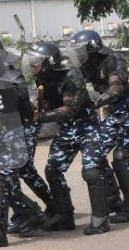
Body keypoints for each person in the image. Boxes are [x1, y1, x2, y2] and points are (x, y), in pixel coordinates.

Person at [28, 42, 111, 236]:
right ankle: (65, 216)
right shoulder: (41, 78)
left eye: (36, 62)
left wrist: (40, 117)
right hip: (67, 129)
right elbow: (46, 102)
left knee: (91, 171)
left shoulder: (71, 75)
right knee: (53, 170)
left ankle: (100, 219)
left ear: (49, 62)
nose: (32, 66)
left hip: (86, 127)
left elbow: (69, 109)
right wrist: (32, 107)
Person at [0, 36, 52, 235]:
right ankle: (29, 213)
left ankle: (39, 211)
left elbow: (18, 109)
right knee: (4, 179)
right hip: (5, 133)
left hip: (20, 131)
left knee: (8, 177)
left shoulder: (12, 78)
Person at [71, 30, 129, 223]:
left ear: (92, 48)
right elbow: (74, 83)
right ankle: (114, 201)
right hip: (114, 113)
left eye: (80, 50)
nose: (77, 54)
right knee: (96, 153)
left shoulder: (113, 59)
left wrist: (98, 101)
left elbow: (116, 88)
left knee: (121, 157)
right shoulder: (86, 65)